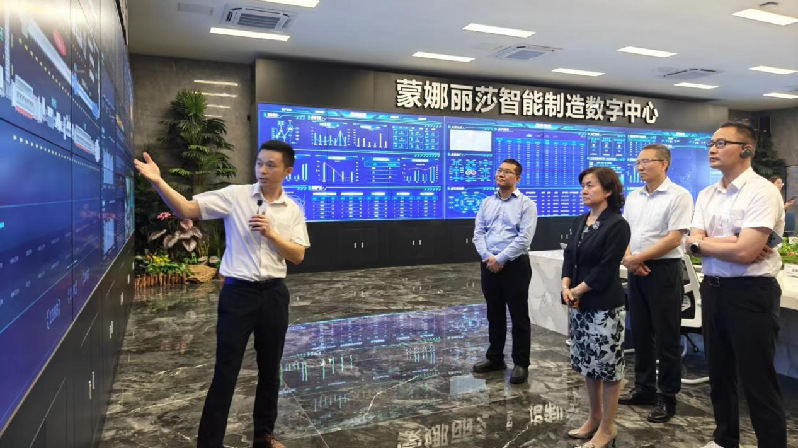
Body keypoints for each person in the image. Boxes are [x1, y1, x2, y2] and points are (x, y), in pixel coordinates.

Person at [135, 140, 310, 448]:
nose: (262, 170)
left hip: (274, 295)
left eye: (271, 165)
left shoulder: (292, 210)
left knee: (271, 370)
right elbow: (186, 208)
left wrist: (271, 233)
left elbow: (297, 255)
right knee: (225, 372)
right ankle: (209, 442)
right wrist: (159, 182)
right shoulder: (235, 196)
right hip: (238, 295)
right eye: (259, 163)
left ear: (288, 171)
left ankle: (264, 435)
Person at [686, 121, 786, 448]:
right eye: (711, 143)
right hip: (714, 289)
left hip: (751, 294)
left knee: (757, 380)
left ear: (746, 150)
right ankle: (724, 439)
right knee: (719, 374)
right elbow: (691, 243)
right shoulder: (707, 194)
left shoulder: (762, 191)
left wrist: (709, 243)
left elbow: (745, 253)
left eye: (721, 143)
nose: (712, 149)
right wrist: (731, 241)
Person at [618, 144, 693, 423]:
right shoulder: (634, 196)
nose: (640, 167)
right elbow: (626, 231)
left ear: (664, 164)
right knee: (640, 332)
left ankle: (667, 396)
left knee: (666, 336)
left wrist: (637, 259)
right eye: (637, 162)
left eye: (646, 161)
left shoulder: (679, 195)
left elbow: (674, 238)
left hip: (664, 270)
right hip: (636, 269)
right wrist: (630, 259)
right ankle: (644, 388)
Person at [562, 166, 630, 448]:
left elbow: (605, 268)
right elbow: (570, 257)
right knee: (588, 365)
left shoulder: (617, 225)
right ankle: (593, 418)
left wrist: (576, 290)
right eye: (583, 185)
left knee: (607, 367)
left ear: (609, 190)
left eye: (590, 185)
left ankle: (607, 427)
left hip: (604, 306)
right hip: (580, 303)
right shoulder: (582, 220)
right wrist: (566, 285)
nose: (584, 190)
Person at [472, 159, 537, 384]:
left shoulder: (526, 205)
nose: (501, 174)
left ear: (517, 178)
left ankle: (521, 363)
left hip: (515, 265)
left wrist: (500, 258)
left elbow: (524, 239)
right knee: (494, 313)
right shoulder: (487, 202)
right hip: (488, 264)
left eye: (507, 172)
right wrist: (487, 257)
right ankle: (495, 358)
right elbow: (479, 233)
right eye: (500, 170)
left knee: (519, 315)